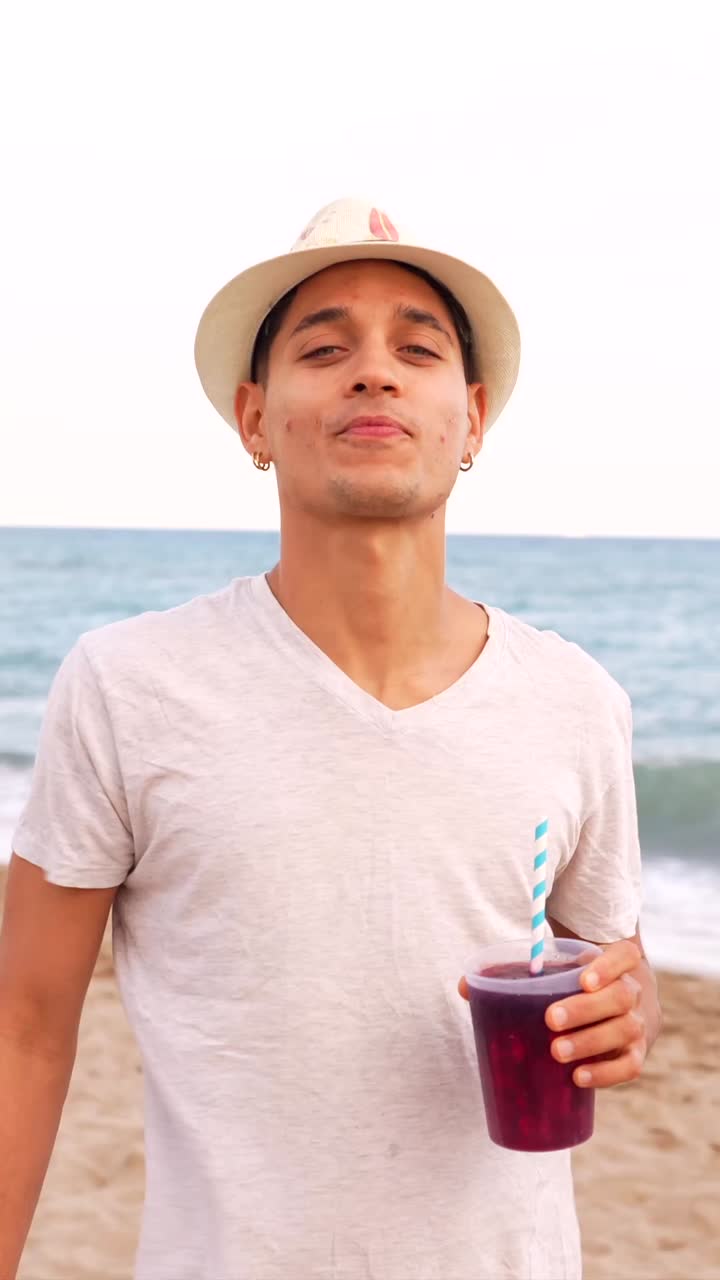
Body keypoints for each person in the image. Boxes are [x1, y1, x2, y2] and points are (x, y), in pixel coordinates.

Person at [0, 197, 661, 1280]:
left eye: (416, 346)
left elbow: (603, 969)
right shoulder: (129, 686)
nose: (373, 371)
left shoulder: (576, 699)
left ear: (474, 416)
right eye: (325, 347)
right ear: (255, 418)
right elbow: (23, 1028)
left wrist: (628, 1009)